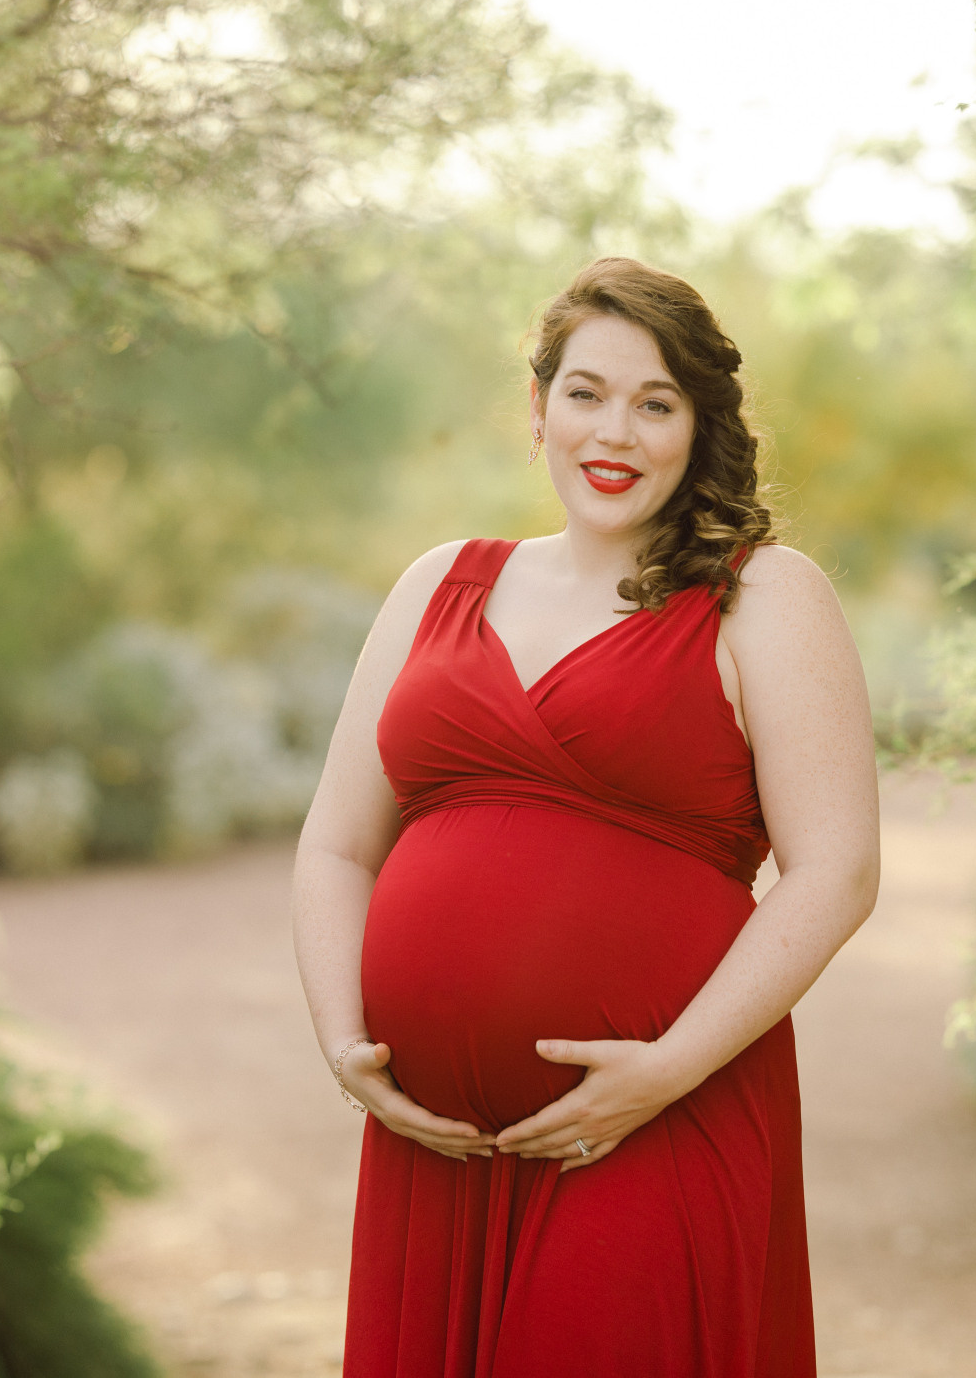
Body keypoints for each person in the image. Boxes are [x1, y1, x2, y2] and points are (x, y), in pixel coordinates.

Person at [292, 257, 880, 1377]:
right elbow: (335, 842)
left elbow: (836, 871)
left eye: (656, 403)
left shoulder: (763, 595)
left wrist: (668, 1068)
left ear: (699, 427)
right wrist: (342, 1040)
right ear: (538, 407)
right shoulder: (438, 585)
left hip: (658, 1118)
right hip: (437, 1149)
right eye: (586, 393)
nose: (616, 432)